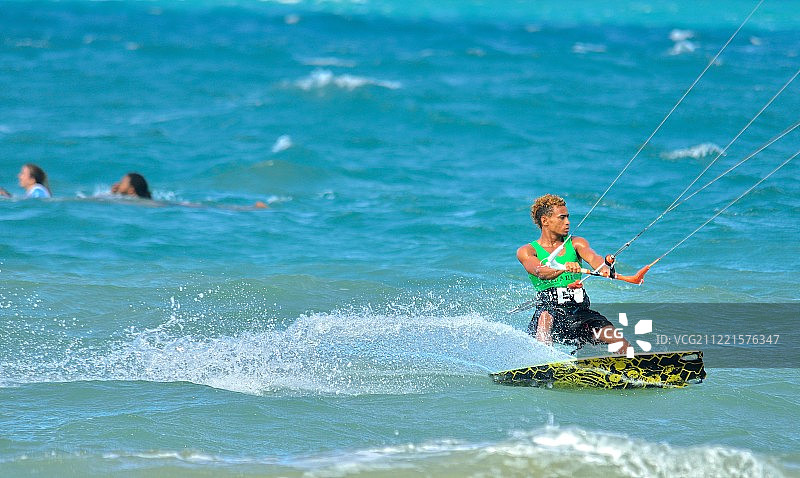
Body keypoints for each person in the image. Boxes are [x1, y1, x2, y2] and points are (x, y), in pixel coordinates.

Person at [516, 194, 630, 354]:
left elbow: (593, 257)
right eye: (562, 218)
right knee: (545, 316)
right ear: (545, 220)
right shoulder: (528, 251)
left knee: (617, 339)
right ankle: (542, 361)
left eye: (568, 217)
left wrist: (603, 267)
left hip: (580, 313)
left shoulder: (576, 243)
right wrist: (563, 268)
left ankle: (633, 367)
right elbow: (539, 271)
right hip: (550, 314)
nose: (568, 222)